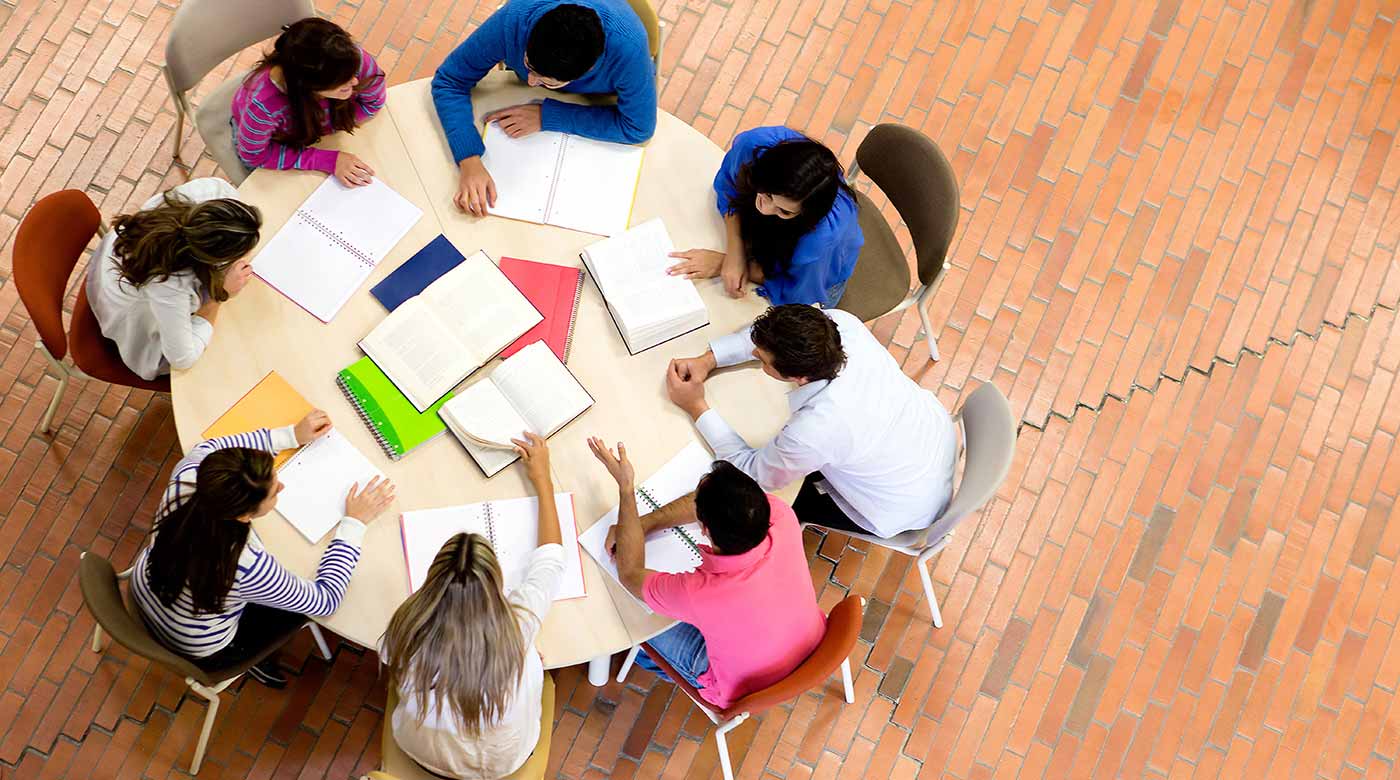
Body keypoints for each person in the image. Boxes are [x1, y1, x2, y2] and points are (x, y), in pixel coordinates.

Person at [130, 411, 396, 687]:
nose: (281, 485)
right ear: (244, 516)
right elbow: (326, 600)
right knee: (298, 610)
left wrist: (291, 435)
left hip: (148, 589)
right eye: (273, 491)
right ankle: (255, 660)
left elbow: (211, 448)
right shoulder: (246, 564)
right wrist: (354, 523)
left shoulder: (191, 475)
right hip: (200, 647)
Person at [665, 304, 958, 539]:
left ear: (798, 378)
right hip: (929, 439)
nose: (755, 356)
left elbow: (750, 475)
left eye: (763, 361)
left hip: (900, 503)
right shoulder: (839, 324)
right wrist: (709, 359)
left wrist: (696, 406)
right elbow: (762, 338)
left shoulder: (817, 428)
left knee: (757, 511)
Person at [588, 437, 825, 708]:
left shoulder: (702, 593)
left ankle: (643, 660)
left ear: (706, 530)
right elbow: (711, 503)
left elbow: (629, 573)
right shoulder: (779, 514)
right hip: (807, 643)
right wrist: (642, 524)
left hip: (742, 687)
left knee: (637, 620)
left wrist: (626, 489)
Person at [382, 433, 562, 778]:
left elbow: (393, 658)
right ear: (496, 585)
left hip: (418, 750)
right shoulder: (518, 626)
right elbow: (551, 560)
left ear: (433, 581)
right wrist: (543, 479)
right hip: (502, 764)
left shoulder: (404, 627)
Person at [431, 0, 657, 216]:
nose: (530, 81)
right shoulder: (515, 18)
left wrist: (548, 115)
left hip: (595, 98)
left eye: (547, 82)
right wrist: (469, 159)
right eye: (528, 65)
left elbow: (638, 127)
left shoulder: (630, 51)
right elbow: (449, 80)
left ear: (587, 71)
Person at [85, 178, 262, 381]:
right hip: (132, 316)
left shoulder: (206, 194)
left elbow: (227, 190)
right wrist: (219, 297)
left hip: (120, 263)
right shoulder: (169, 285)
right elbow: (182, 358)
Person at [668, 127, 862, 308]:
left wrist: (721, 263)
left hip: (812, 277)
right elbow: (729, 186)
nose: (764, 209)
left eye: (784, 211)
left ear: (804, 215)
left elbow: (794, 293)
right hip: (768, 243)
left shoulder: (820, 239)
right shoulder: (755, 146)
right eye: (767, 194)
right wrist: (736, 252)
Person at [231, 17, 386, 186]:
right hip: (275, 140)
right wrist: (326, 160)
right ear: (308, 88)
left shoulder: (351, 59)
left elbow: (373, 102)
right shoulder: (263, 107)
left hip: (312, 131)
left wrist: (332, 125)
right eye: (342, 84)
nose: (355, 82)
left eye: (353, 73)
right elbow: (253, 156)